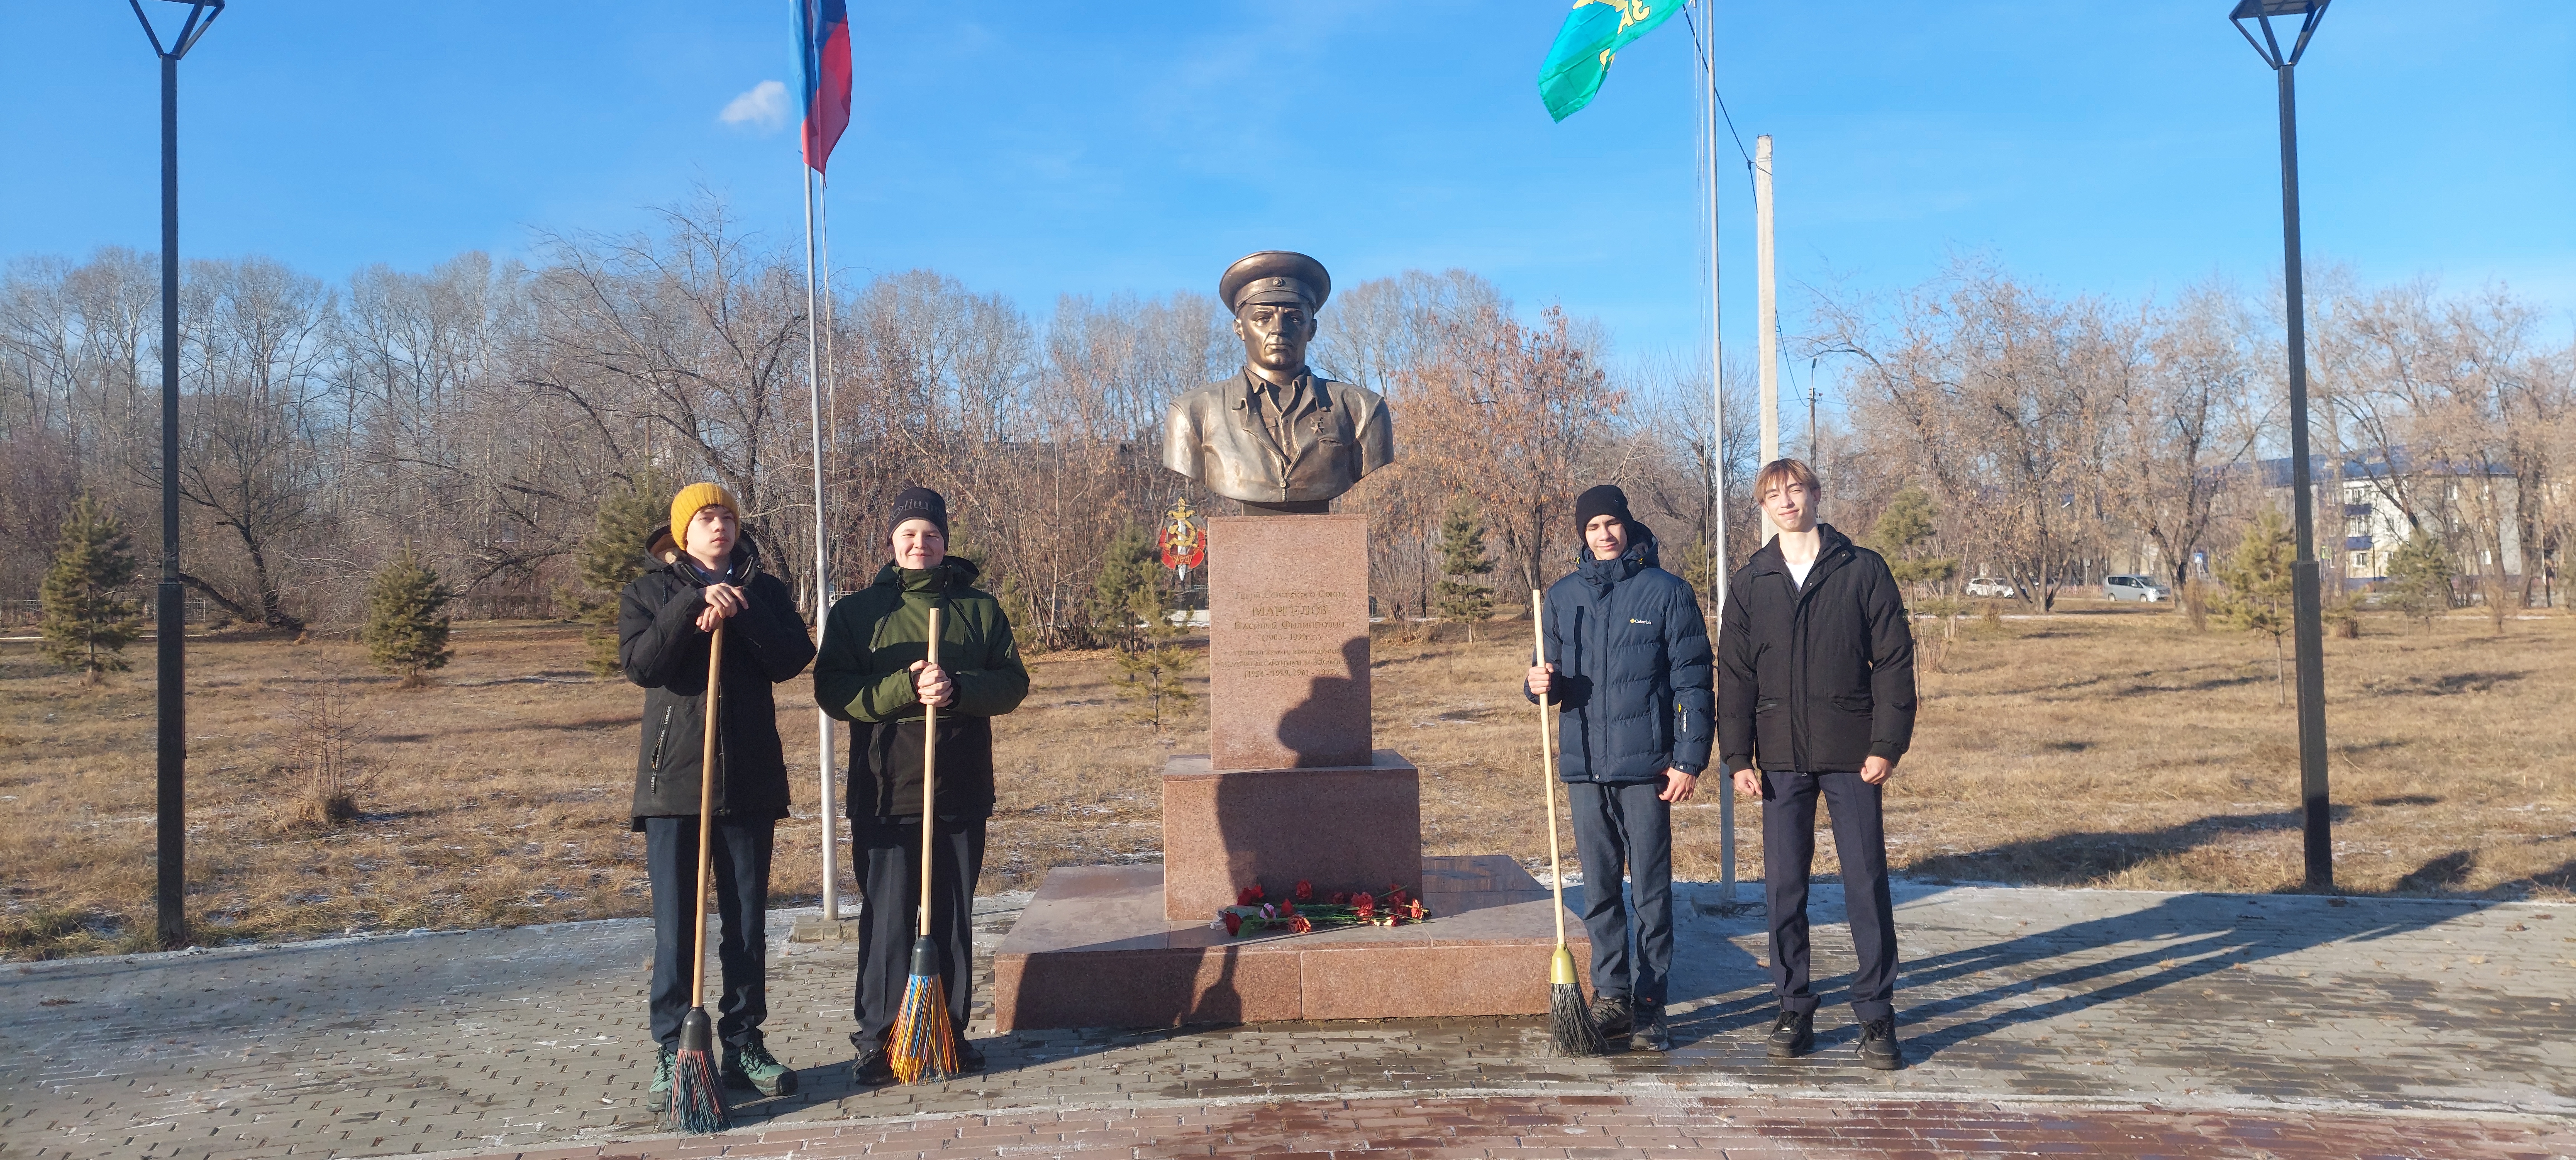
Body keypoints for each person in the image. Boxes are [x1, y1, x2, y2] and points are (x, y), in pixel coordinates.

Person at [813, 487, 1029, 1083]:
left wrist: (957, 689)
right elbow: (834, 692)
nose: (920, 543)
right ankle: (878, 1040)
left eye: (930, 534)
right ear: (891, 542)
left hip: (959, 784)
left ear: (944, 542)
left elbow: (1012, 683)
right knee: (887, 917)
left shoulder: (979, 609)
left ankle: (945, 1033)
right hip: (887, 785)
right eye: (909, 534)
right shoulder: (858, 613)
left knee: (952, 917)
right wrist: (903, 689)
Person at [618, 482, 817, 1108]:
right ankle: (675, 1049)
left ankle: (744, 1042)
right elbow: (644, 667)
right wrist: (691, 608)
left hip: (749, 783)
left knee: (747, 924)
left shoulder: (765, 589)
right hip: (674, 783)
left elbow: (793, 658)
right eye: (706, 518)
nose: (719, 527)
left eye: (727, 517)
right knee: (677, 928)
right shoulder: (648, 592)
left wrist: (742, 612)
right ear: (683, 530)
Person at [1719, 458, 1917, 1071]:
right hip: (1778, 759)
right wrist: (1736, 757)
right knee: (1784, 887)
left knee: (1865, 883)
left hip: (1852, 757)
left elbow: (1892, 663)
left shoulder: (1861, 569)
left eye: (1796, 490)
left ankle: (1877, 1015)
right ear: (1762, 506)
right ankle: (1793, 1005)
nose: (1786, 502)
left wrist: (1886, 744)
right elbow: (1734, 675)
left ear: (1816, 495)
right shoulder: (1754, 581)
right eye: (1773, 495)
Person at [1523, 484, 1712, 1051]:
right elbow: (1544, 678)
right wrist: (1536, 686)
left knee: (1650, 891)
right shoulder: (1561, 598)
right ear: (1581, 536)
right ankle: (1611, 993)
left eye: (1611, 524)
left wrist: (1687, 759)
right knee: (1599, 889)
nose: (1603, 536)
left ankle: (1651, 1004)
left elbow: (1693, 682)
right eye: (1591, 528)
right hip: (1585, 767)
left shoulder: (1666, 593)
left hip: (1647, 769)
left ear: (1627, 525)